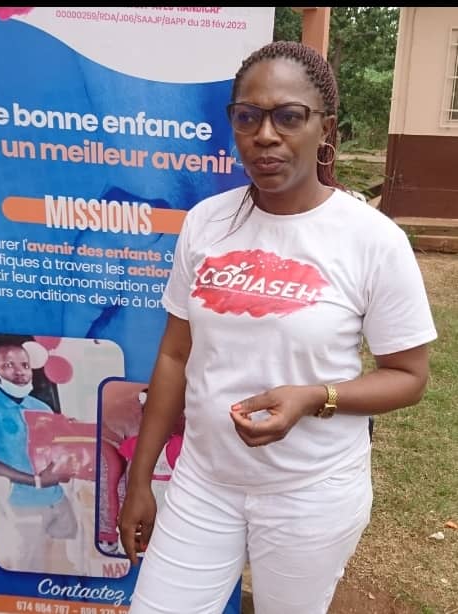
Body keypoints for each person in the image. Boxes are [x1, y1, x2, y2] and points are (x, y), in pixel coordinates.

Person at [118, 40, 437, 614]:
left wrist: (315, 397)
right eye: (248, 117)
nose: (265, 135)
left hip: (311, 492)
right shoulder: (206, 224)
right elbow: (174, 356)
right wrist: (140, 479)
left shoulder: (372, 240)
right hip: (204, 481)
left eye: (289, 116)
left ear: (325, 129)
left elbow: (409, 376)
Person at [0, 336, 77, 570]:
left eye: (25, 365)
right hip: (21, 505)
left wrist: (70, 437)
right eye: (8, 365)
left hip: (57, 499)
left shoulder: (40, 407)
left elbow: (53, 450)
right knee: (31, 568)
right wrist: (36, 481)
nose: (19, 372)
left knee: (66, 563)